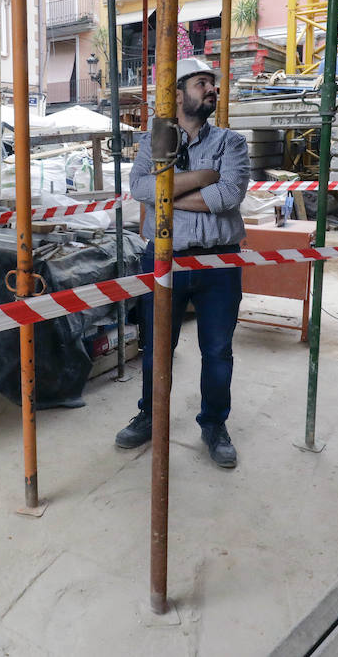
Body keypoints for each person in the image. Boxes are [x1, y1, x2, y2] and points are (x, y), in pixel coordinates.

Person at [115, 57, 251, 468]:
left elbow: (228, 197)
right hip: (162, 259)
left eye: (212, 83)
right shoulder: (154, 141)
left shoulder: (231, 142)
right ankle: (150, 415)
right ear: (176, 94)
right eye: (202, 82)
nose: (211, 89)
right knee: (157, 347)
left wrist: (167, 194)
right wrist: (202, 177)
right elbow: (139, 188)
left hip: (218, 263)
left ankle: (213, 424)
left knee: (217, 350)